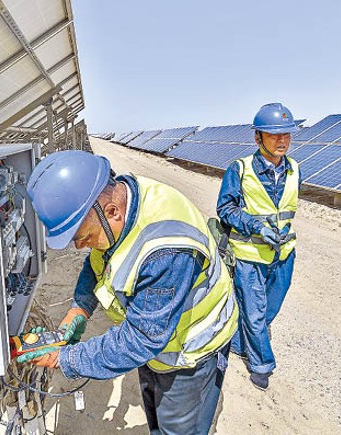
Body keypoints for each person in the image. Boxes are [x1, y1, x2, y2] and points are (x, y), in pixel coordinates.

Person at [20, 150, 238, 434]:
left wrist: (66, 359)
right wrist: (79, 309)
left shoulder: (166, 251)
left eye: (82, 237)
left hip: (191, 355)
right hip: (159, 345)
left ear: (112, 212)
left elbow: (142, 338)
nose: (79, 246)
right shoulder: (120, 200)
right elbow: (99, 261)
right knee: (157, 422)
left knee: (179, 429)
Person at [216, 103, 301, 391]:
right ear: (258, 138)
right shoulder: (239, 170)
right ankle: (262, 364)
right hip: (249, 256)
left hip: (283, 255)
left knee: (268, 311)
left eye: (286, 134)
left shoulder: (295, 170)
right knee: (254, 312)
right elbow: (225, 209)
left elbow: (287, 210)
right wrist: (257, 226)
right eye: (274, 135)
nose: (282, 141)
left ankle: (240, 343)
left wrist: (281, 232)